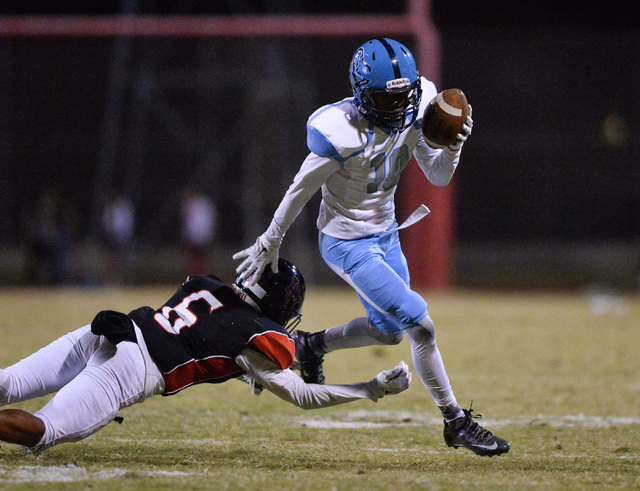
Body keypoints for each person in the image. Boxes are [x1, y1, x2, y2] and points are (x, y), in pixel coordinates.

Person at [233, 38, 509, 457]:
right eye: (387, 97)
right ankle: (456, 421)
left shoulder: (420, 106)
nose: (399, 108)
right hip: (346, 241)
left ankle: (310, 346)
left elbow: (436, 176)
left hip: (385, 233)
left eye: (404, 96)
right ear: (363, 94)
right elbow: (299, 191)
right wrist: (271, 239)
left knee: (390, 331)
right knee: (422, 325)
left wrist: (453, 148)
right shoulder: (341, 131)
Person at [0, 258, 411, 454]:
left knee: (11, 382)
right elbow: (303, 396)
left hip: (107, 329)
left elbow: (205, 338)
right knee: (42, 431)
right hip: (129, 368)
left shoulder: (209, 285)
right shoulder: (255, 337)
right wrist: (369, 388)